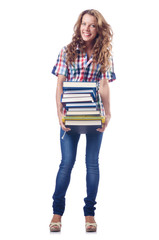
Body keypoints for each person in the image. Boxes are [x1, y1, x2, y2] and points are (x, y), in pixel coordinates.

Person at [49, 9, 116, 232]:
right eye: (84, 24)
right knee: (66, 163)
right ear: (79, 26)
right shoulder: (67, 51)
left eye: (92, 25)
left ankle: (90, 215)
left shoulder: (104, 54)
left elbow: (104, 86)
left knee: (92, 164)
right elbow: (59, 83)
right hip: (70, 115)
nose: (86, 29)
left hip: (94, 114)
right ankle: (56, 213)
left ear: (99, 29)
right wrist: (59, 112)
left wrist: (108, 113)